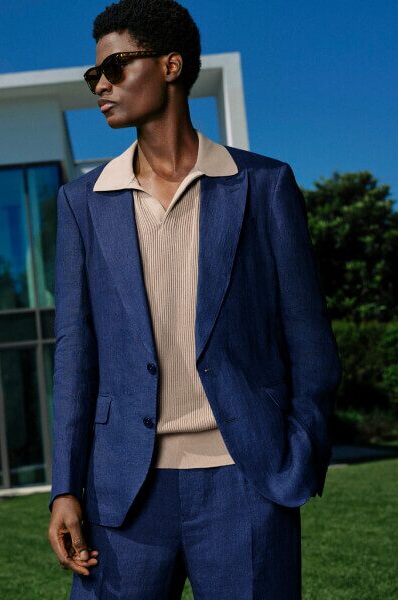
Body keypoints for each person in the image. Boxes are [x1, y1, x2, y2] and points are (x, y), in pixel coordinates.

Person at [47, 0, 342, 598]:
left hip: (246, 482)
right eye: (93, 74)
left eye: (115, 67)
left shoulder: (263, 185)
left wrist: (298, 454)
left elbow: (309, 340)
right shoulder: (83, 203)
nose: (100, 85)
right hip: (123, 492)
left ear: (171, 65)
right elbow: (76, 354)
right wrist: (65, 488)